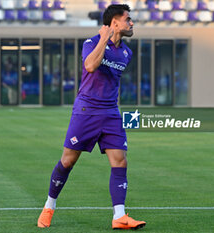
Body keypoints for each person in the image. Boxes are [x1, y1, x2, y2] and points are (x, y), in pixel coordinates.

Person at [37, 4, 146, 230]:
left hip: (111, 112)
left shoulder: (127, 52)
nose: (132, 23)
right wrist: (103, 40)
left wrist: (109, 41)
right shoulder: (90, 43)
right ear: (114, 23)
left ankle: (119, 216)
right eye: (128, 19)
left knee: (120, 160)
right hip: (86, 111)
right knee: (68, 161)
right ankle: (49, 206)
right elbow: (90, 65)